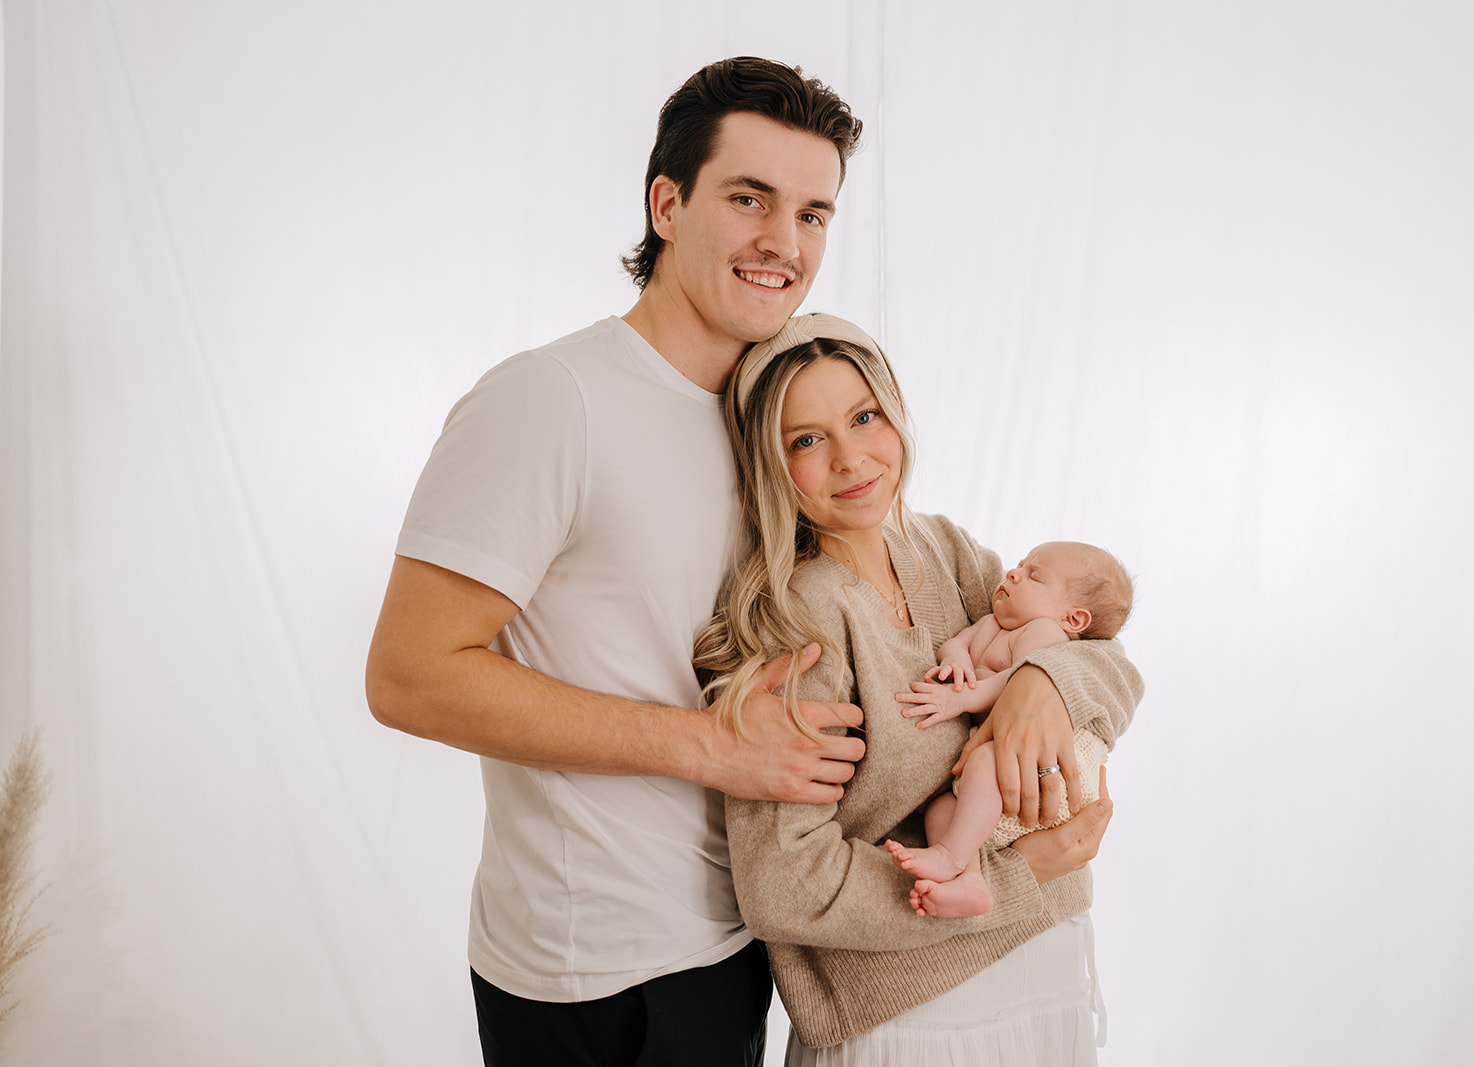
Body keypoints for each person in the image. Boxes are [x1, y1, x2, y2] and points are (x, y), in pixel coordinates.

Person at [365, 58, 873, 1066]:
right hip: (590, 972)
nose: (786, 241)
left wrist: (1043, 675)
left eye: (814, 213)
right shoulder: (553, 399)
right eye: (750, 198)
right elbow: (409, 674)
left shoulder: (777, 415)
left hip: (736, 943)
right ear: (667, 204)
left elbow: (913, 586)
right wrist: (710, 746)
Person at [695, 313, 1143, 1063]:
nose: (850, 458)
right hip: (909, 1012)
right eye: (806, 439)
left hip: (1043, 964)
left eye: (864, 416)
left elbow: (1109, 660)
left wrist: (1043, 681)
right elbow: (786, 883)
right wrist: (1017, 874)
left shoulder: (943, 548)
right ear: (769, 464)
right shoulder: (799, 619)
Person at [888, 541, 1134, 917]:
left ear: (1073, 620)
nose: (1013, 573)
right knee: (941, 806)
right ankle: (965, 874)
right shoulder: (991, 623)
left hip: (1041, 769)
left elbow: (1018, 684)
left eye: (1034, 575)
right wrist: (956, 659)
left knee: (986, 760)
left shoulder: (1043, 633)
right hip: (993, 762)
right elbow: (956, 643)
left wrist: (960, 700)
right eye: (1019, 565)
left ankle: (953, 856)